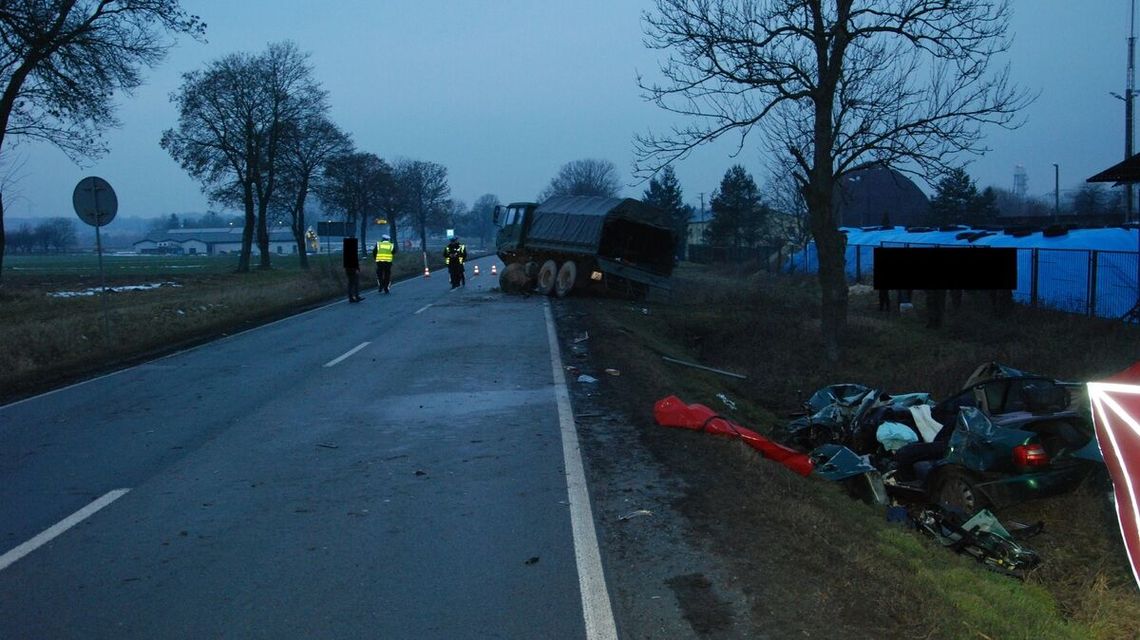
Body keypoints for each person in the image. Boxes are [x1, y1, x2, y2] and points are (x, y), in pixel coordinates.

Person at [343, 237, 364, 303]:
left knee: (350, 283)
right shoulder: (353, 251)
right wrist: (357, 268)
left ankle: (351, 297)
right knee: (355, 283)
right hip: (353, 269)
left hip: (348, 268)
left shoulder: (346, 251)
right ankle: (356, 296)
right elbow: (355, 261)